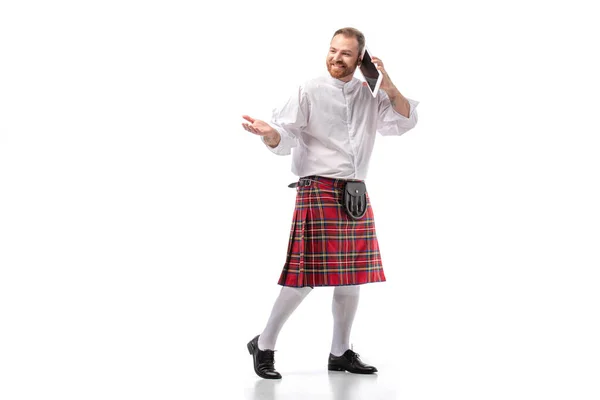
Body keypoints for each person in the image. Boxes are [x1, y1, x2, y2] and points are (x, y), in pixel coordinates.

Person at [241, 27, 419, 380]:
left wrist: (388, 85)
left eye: (346, 54)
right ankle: (264, 343)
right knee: (304, 277)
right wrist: (270, 133)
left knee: (351, 278)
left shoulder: (372, 94)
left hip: (354, 192)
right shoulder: (309, 89)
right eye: (333, 50)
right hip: (318, 188)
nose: (336, 58)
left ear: (361, 59)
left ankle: (340, 353)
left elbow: (405, 121)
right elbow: (285, 134)